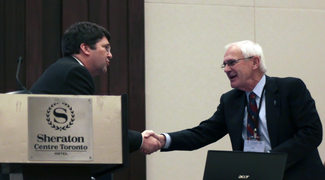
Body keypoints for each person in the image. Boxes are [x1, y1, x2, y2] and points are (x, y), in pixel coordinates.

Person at [143, 40, 325, 180]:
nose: (226, 69)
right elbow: (204, 132)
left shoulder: (290, 88)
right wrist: (162, 140)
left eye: (231, 63)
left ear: (254, 62)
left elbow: (311, 133)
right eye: (225, 65)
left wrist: (271, 161)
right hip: (253, 175)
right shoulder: (230, 100)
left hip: (296, 174)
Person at [30, 22, 160, 155]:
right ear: (85, 48)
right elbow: (90, 127)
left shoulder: (66, 68)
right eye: (106, 48)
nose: (110, 55)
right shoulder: (75, 72)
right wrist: (140, 140)